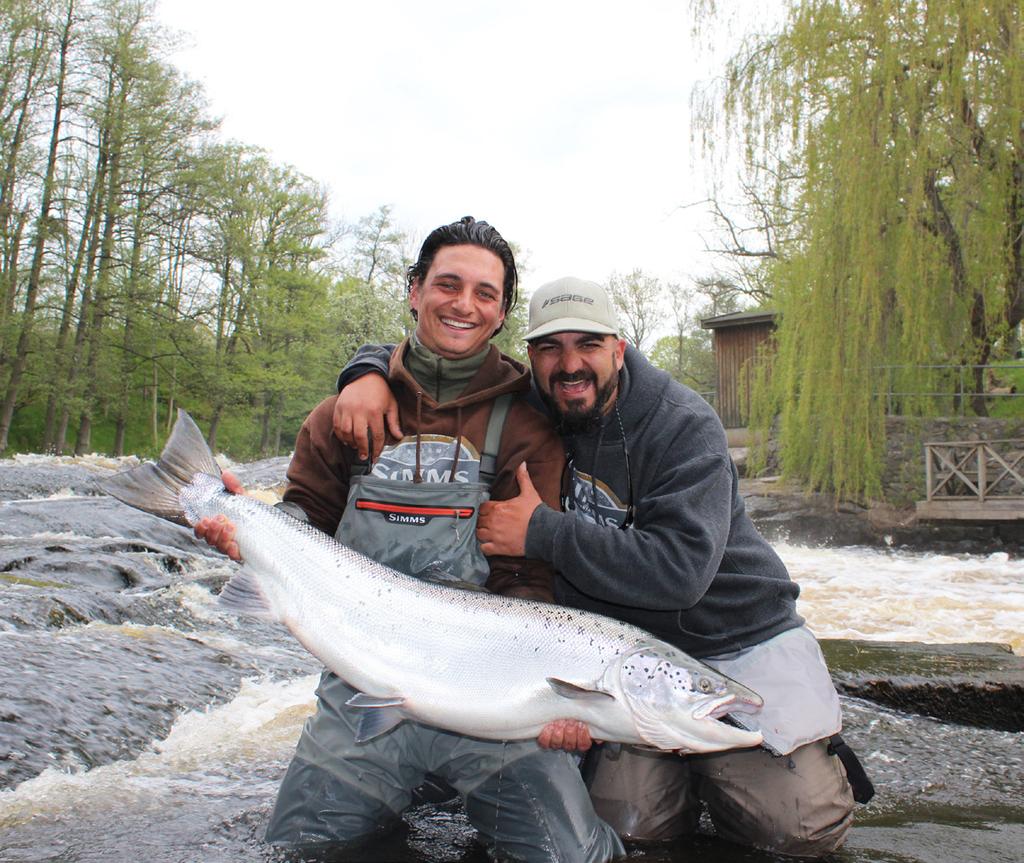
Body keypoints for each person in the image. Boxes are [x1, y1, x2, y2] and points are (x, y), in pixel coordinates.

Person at [333, 276, 871, 857]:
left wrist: (540, 531)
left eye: (588, 344)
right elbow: (442, 366)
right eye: (550, 348)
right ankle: (681, 764)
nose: (570, 364)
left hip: (737, 637)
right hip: (610, 662)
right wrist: (366, 371)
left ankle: (745, 761)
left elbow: (680, 574)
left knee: (794, 831)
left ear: (618, 348)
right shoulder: (532, 400)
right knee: (630, 828)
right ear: (532, 356)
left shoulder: (681, 425)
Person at [196, 225, 623, 863]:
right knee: (295, 852)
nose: (464, 304)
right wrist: (245, 538)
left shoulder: (529, 426)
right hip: (360, 694)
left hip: (494, 715)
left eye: (485, 293)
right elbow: (302, 524)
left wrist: (553, 702)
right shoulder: (340, 413)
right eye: (447, 284)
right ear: (415, 291)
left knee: (569, 855)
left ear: (502, 313)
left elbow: (529, 582)